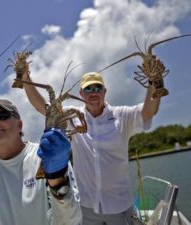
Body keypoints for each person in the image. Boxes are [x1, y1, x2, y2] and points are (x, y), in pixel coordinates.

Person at [20, 69, 161, 225]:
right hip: (86, 207)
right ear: (81, 93)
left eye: (97, 88)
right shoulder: (71, 115)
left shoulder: (122, 115)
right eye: (88, 89)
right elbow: (43, 107)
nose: (93, 92)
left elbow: (148, 111)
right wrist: (25, 77)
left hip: (119, 207)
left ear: (104, 91)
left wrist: (154, 81)